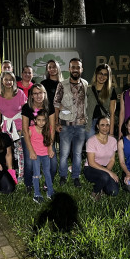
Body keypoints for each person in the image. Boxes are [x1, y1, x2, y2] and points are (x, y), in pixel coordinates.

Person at [54, 58, 88, 187]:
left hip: (80, 126)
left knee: (78, 153)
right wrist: (57, 123)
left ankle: (76, 177)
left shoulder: (85, 84)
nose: (75, 70)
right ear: (69, 69)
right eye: (73, 67)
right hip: (66, 126)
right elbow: (56, 104)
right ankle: (63, 176)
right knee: (64, 154)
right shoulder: (62, 85)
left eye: (78, 67)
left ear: (81, 69)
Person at [22, 84, 57, 191]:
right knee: (29, 162)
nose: (38, 96)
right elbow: (25, 130)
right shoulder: (26, 107)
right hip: (31, 137)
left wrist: (50, 146)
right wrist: (31, 150)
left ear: (44, 94)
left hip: (46, 138)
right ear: (31, 95)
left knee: (53, 163)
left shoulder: (49, 106)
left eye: (40, 93)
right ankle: (28, 184)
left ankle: (47, 183)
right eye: (35, 93)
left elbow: (52, 128)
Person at [0, 72, 27, 180]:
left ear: (14, 81)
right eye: (6, 79)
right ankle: (9, 173)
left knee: (21, 152)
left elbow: (26, 111)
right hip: (6, 127)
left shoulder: (20, 93)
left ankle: (21, 175)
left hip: (19, 126)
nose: (8, 82)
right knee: (7, 151)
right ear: (2, 81)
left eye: (10, 79)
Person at [83, 116, 119, 200]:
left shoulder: (113, 141)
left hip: (105, 168)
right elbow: (91, 163)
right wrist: (109, 173)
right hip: (91, 168)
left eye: (107, 125)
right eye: (102, 125)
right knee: (105, 177)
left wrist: (108, 171)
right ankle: (95, 192)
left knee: (114, 192)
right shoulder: (91, 141)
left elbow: (112, 159)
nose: (105, 128)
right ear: (97, 126)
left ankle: (102, 185)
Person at [29, 109, 55, 203]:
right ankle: (37, 194)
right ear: (35, 120)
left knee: (47, 172)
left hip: (45, 154)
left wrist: (50, 149)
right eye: (39, 120)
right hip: (36, 155)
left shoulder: (48, 129)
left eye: (43, 120)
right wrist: (32, 152)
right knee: (36, 174)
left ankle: (50, 192)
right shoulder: (31, 129)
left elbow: (50, 141)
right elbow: (28, 142)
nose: (41, 122)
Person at [85, 64, 117, 139]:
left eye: (105, 74)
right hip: (90, 124)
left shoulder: (111, 91)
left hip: (104, 124)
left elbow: (112, 113)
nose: (102, 77)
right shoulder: (88, 89)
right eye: (100, 73)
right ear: (96, 74)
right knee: (92, 147)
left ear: (108, 77)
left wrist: (111, 133)